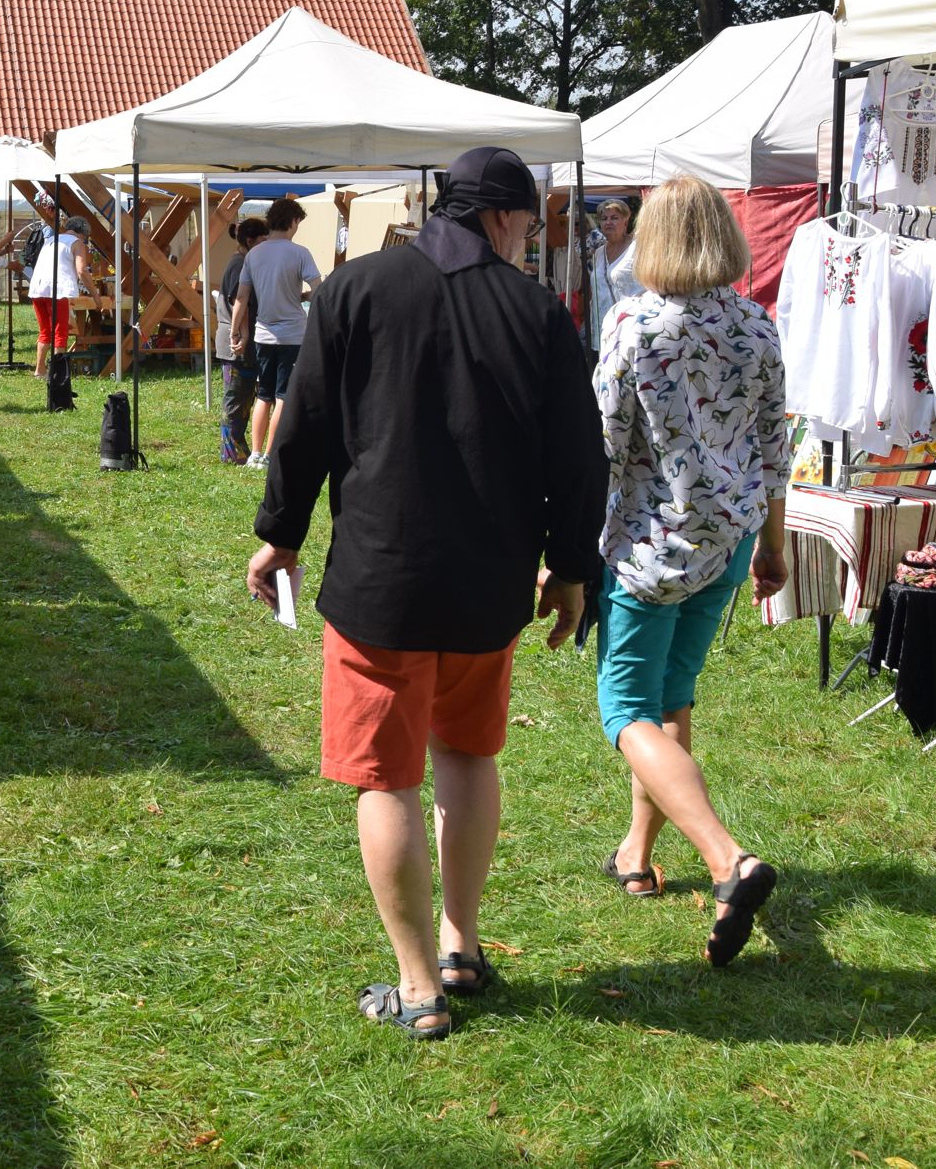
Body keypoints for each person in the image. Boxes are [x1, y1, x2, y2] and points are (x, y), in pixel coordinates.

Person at [247, 147, 606, 1040]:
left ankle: (421, 983)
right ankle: (458, 944)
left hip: (382, 577)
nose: (531, 240)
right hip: (487, 581)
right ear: (503, 217)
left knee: (386, 776)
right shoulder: (536, 312)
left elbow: (306, 426)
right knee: (466, 757)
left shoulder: (357, 288)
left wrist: (279, 534)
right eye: (529, 224)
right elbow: (578, 455)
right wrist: (569, 567)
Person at [574, 175, 787, 967]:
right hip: (727, 540)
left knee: (626, 706)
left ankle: (727, 858)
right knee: (674, 696)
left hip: (645, 544)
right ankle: (635, 852)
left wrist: (564, 547)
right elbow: (773, 450)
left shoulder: (632, 325)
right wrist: (773, 544)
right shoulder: (757, 325)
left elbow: (603, 445)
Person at [237, 196, 321, 471]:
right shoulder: (299, 253)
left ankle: (255, 453)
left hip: (263, 334)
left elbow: (242, 297)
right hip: (293, 335)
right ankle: (271, 454)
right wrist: (305, 294)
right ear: (293, 221)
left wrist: (236, 332)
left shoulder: (254, 254)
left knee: (264, 394)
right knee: (284, 395)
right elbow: (319, 289)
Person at [215, 216, 267, 464]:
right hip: (235, 343)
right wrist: (242, 334)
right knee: (235, 399)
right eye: (263, 241)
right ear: (250, 241)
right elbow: (241, 302)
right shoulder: (240, 264)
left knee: (244, 397)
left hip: (241, 342)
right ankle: (230, 450)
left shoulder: (245, 262)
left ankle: (236, 447)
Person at [30, 202, 89, 381]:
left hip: (38, 288)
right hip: (57, 289)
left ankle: (40, 370)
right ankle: (57, 372)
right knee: (60, 331)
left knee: (45, 331)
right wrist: (94, 294)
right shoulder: (77, 243)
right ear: (82, 232)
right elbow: (82, 271)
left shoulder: (51, 240)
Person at [585, 197, 640, 338]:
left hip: (631, 326)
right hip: (603, 327)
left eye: (614, 218)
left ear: (626, 221)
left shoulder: (638, 248)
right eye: (604, 219)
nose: (608, 222)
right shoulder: (598, 253)